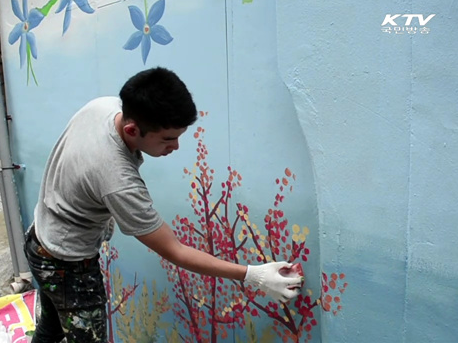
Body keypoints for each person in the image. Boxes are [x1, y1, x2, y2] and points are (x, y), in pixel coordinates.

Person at [24, 67, 303, 343]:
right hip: (68, 265)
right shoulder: (118, 180)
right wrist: (254, 276)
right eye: (168, 139)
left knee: (51, 328)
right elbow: (175, 251)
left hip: (40, 238)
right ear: (132, 130)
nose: (177, 146)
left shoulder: (103, 108)